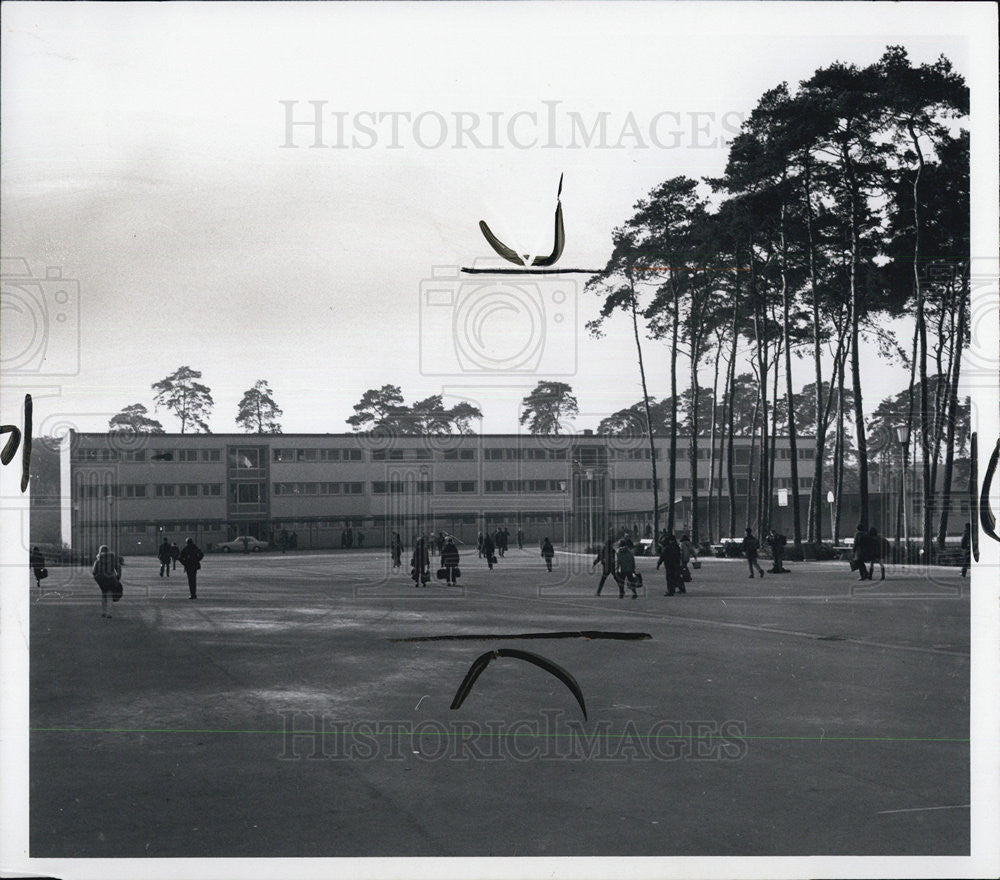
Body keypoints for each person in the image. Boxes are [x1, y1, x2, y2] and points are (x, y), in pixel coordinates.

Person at [92, 544, 122, 618]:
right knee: (110, 595)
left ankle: (104, 612)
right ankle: (109, 613)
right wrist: (117, 577)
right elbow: (118, 568)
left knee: (104, 595)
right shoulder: (112, 560)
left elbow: (94, 572)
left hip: (102, 580)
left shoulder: (98, 561)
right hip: (111, 579)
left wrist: (98, 579)